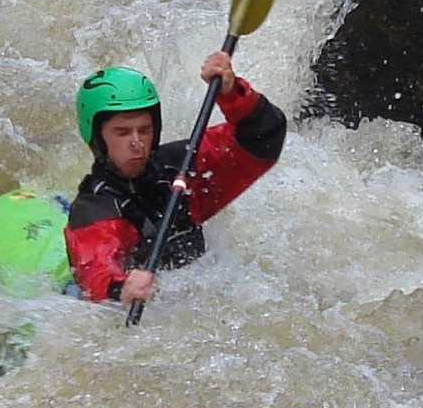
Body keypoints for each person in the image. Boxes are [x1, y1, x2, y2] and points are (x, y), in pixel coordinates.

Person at [65, 52, 286, 306]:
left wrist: (231, 94)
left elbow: (263, 139)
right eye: (122, 132)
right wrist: (121, 288)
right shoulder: (94, 211)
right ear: (97, 138)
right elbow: (96, 272)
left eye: (144, 130)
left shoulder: (178, 167)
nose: (136, 143)